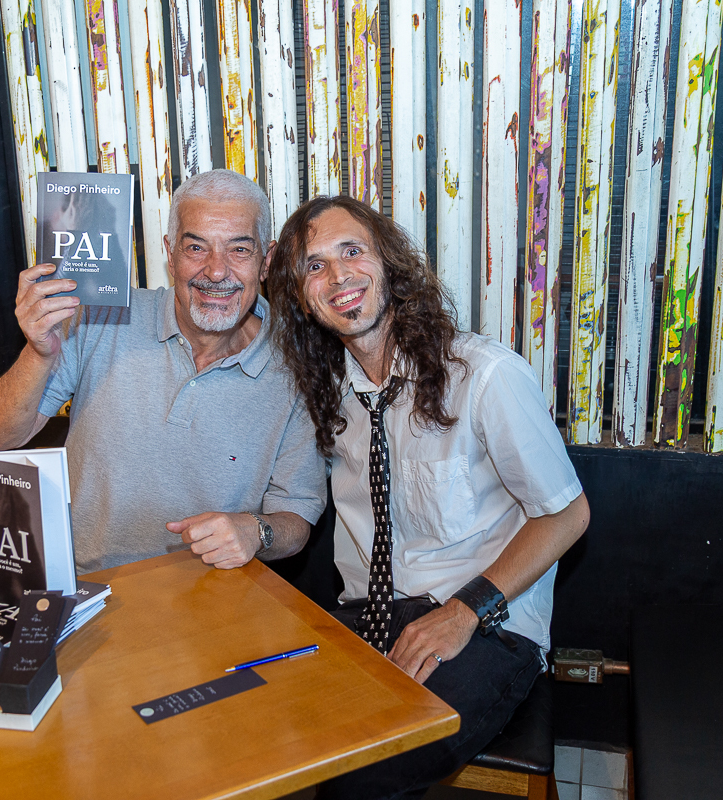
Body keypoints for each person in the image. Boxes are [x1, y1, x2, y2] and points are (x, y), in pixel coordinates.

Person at [267, 195, 590, 798]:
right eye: (314, 266)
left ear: (388, 262)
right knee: (263, 732)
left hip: (485, 626)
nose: (338, 276)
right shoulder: (328, 392)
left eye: (352, 251)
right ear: (301, 297)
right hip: (369, 617)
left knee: (361, 770)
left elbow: (569, 514)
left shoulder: (484, 375)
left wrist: (464, 612)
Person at [0, 169, 326, 573]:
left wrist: (256, 532)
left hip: (214, 603)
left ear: (265, 261)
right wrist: (39, 355)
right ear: (171, 253)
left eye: (238, 250)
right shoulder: (99, 317)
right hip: (88, 592)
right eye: (196, 248)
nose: (216, 272)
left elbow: (296, 520)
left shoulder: (297, 368)